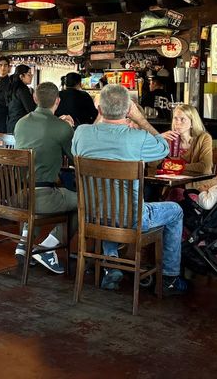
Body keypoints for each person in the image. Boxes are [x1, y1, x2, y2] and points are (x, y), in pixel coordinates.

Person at [71, 84, 189, 295]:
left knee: (108, 205)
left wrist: (103, 115)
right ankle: (170, 278)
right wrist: (140, 119)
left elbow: (80, 145)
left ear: (99, 110)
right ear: (128, 110)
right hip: (131, 219)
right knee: (175, 211)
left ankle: (112, 265)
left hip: (92, 216)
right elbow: (164, 149)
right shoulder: (138, 138)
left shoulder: (81, 133)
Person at [13, 82, 77, 274]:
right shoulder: (62, 128)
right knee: (87, 202)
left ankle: (24, 243)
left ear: (34, 98)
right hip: (43, 196)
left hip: (18, 196)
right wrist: (69, 128)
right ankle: (48, 247)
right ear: (57, 101)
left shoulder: (21, 122)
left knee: (43, 193)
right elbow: (76, 158)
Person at [161, 104, 213, 177]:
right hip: (172, 182)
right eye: (175, 118)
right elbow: (153, 164)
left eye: (183, 119)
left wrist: (175, 167)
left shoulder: (204, 138)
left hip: (195, 183)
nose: (178, 123)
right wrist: (159, 139)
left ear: (192, 123)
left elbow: (205, 167)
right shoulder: (170, 138)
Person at [6, 65, 36, 133]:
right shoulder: (23, 89)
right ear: (21, 76)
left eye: (31, 74)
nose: (31, 76)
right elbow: (31, 109)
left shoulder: (13, 88)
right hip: (21, 125)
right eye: (29, 74)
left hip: (11, 124)